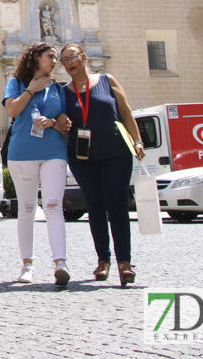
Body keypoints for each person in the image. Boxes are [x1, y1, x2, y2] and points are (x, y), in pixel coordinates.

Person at [58, 43, 144, 287]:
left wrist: (137, 140)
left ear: (84, 58)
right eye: (64, 59)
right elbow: (58, 117)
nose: (68, 62)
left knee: (117, 204)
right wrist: (61, 119)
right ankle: (103, 260)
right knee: (94, 206)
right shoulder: (63, 92)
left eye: (72, 56)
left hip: (116, 152)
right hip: (82, 157)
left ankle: (124, 263)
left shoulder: (108, 80)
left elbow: (126, 113)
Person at [2, 42, 70, 286]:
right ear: (35, 58)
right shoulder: (16, 83)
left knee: (53, 206)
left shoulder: (58, 88)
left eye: (55, 57)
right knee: (27, 209)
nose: (54, 61)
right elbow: (12, 110)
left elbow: (63, 118)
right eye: (50, 56)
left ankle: (60, 262)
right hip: (22, 153)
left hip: (53, 151)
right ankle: (27, 264)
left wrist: (56, 121)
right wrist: (30, 90)